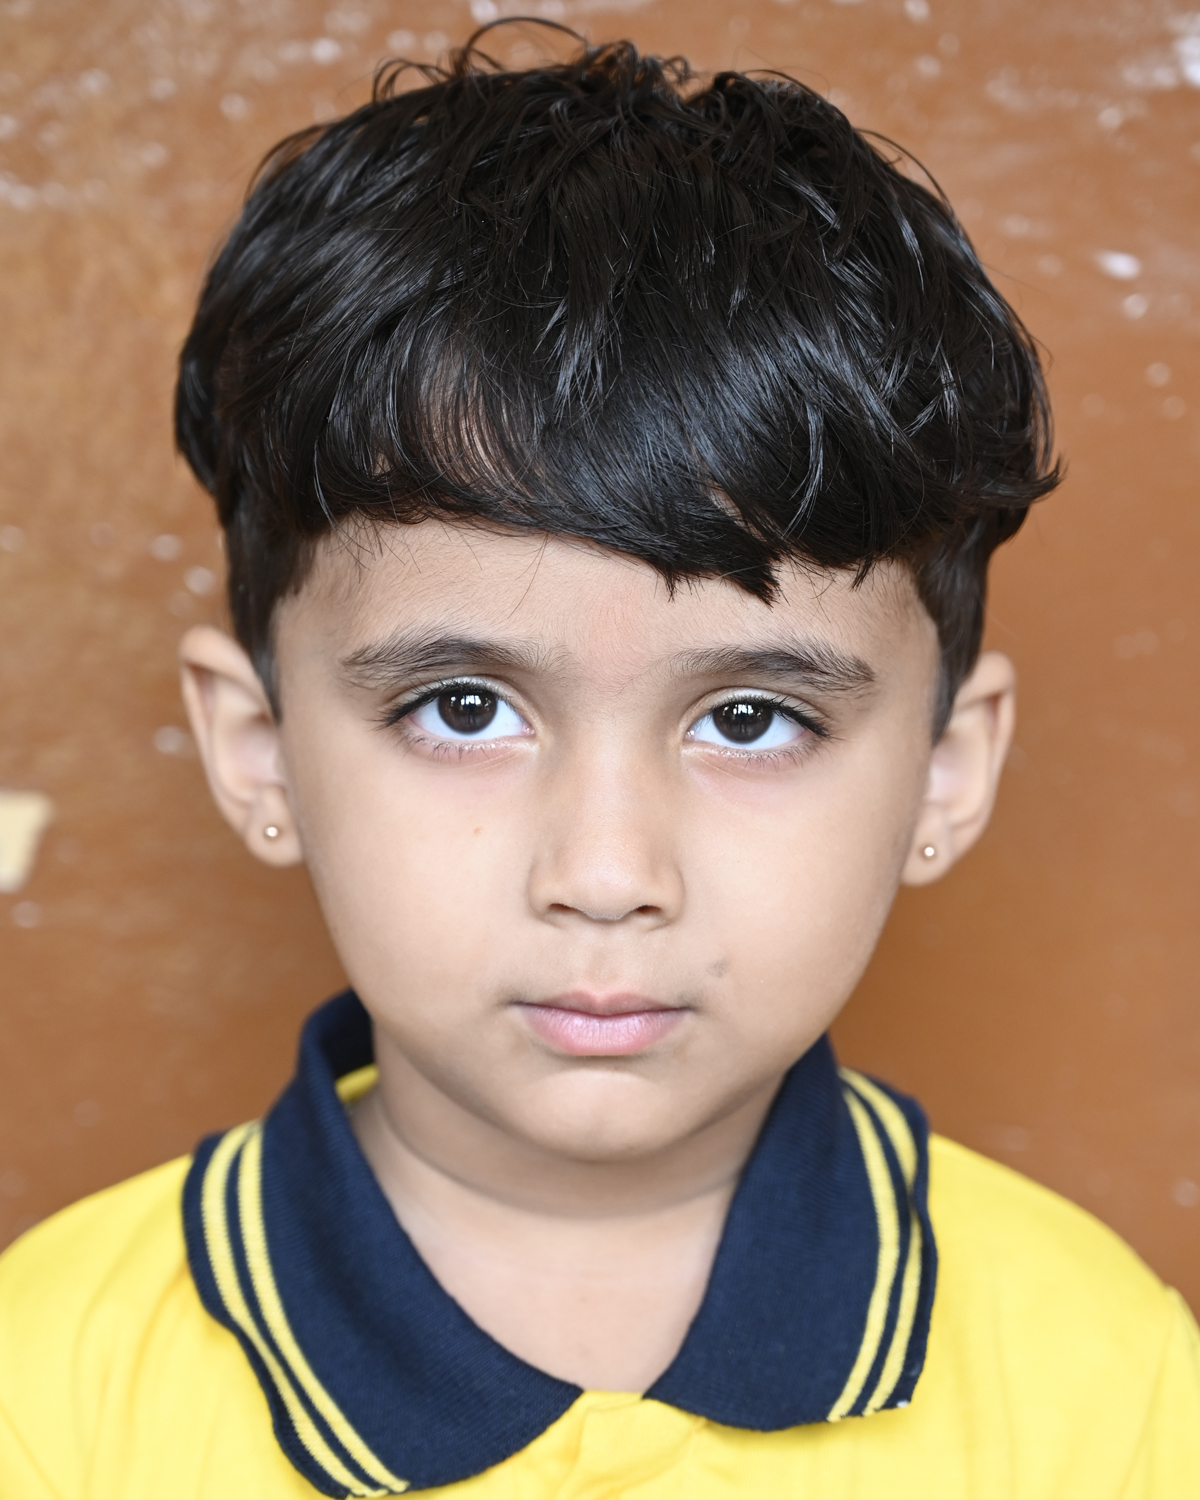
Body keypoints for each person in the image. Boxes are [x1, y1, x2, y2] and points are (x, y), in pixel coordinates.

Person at [1, 27, 1197, 1498]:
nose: (609, 873)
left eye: (750, 720)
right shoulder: (44, 1400)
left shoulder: (1107, 1393)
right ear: (261, 753)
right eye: (462, 708)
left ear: (946, 771)